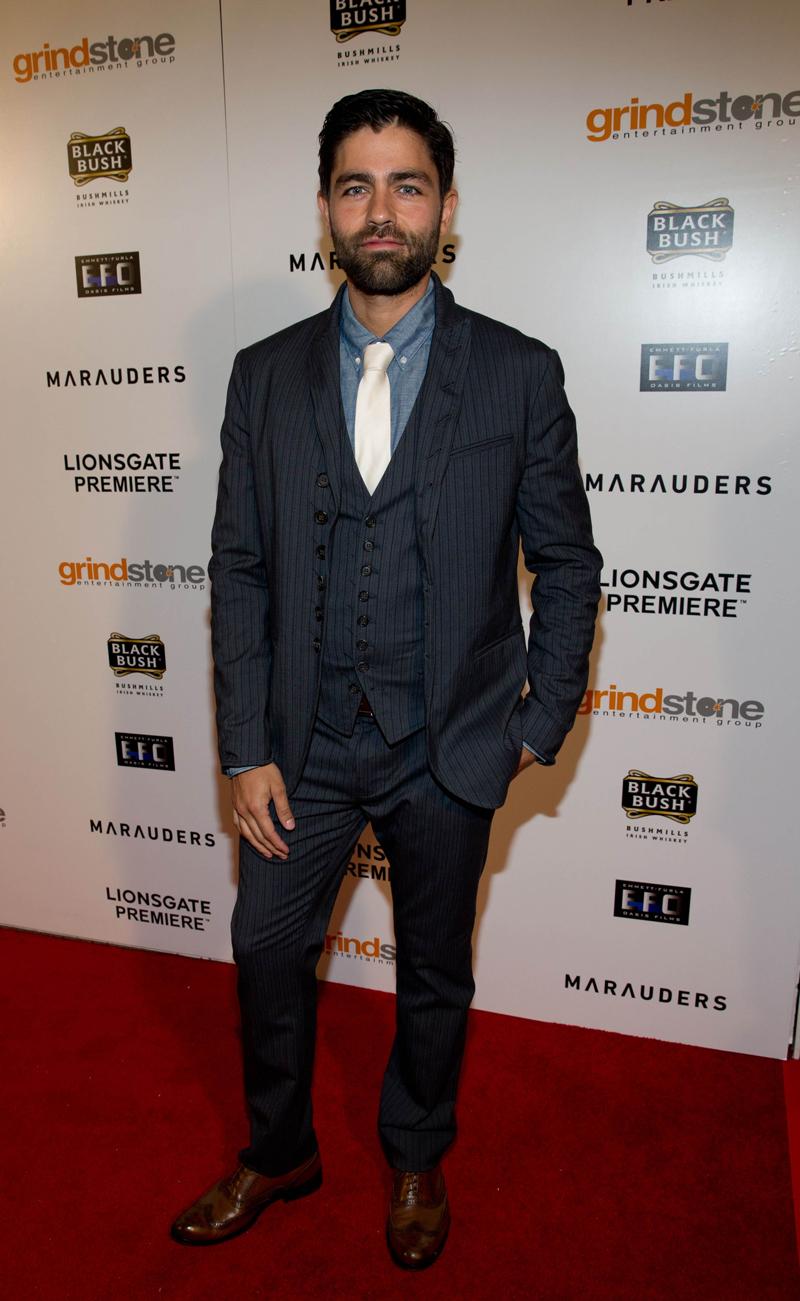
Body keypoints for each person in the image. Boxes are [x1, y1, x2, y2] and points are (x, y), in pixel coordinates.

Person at [171, 88, 602, 1269]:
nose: (379, 209)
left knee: (435, 974)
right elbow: (240, 565)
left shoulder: (517, 373)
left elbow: (565, 563)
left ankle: (415, 1147)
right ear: (324, 209)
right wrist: (244, 744)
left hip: (448, 744)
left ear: (444, 208)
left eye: (404, 184)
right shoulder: (262, 377)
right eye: (355, 185)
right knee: (264, 952)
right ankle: (280, 1148)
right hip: (298, 746)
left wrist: (536, 719)